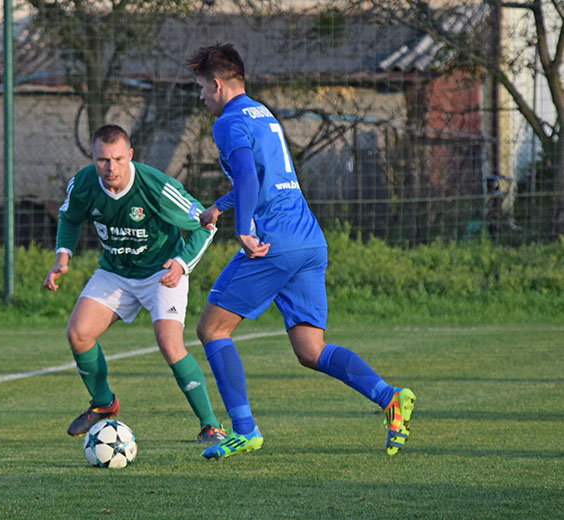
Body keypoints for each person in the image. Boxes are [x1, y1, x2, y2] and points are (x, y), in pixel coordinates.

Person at [186, 43, 416, 459]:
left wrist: (243, 229)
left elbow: (247, 177)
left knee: (212, 330)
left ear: (217, 84)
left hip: (274, 240)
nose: (200, 95)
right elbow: (259, 175)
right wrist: (218, 208)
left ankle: (244, 430)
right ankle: (389, 397)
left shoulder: (227, 122)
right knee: (310, 349)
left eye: (201, 87)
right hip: (308, 238)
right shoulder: (261, 113)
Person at [44, 124, 226, 444]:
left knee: (170, 344)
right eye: (102, 160)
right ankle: (103, 404)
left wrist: (182, 265)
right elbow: (70, 217)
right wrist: (63, 257)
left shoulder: (155, 186)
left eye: (117, 159)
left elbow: (206, 224)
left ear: (130, 155)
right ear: (92, 157)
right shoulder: (84, 183)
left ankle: (211, 425)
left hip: (160, 271)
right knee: (78, 333)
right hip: (115, 272)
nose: (110, 167)